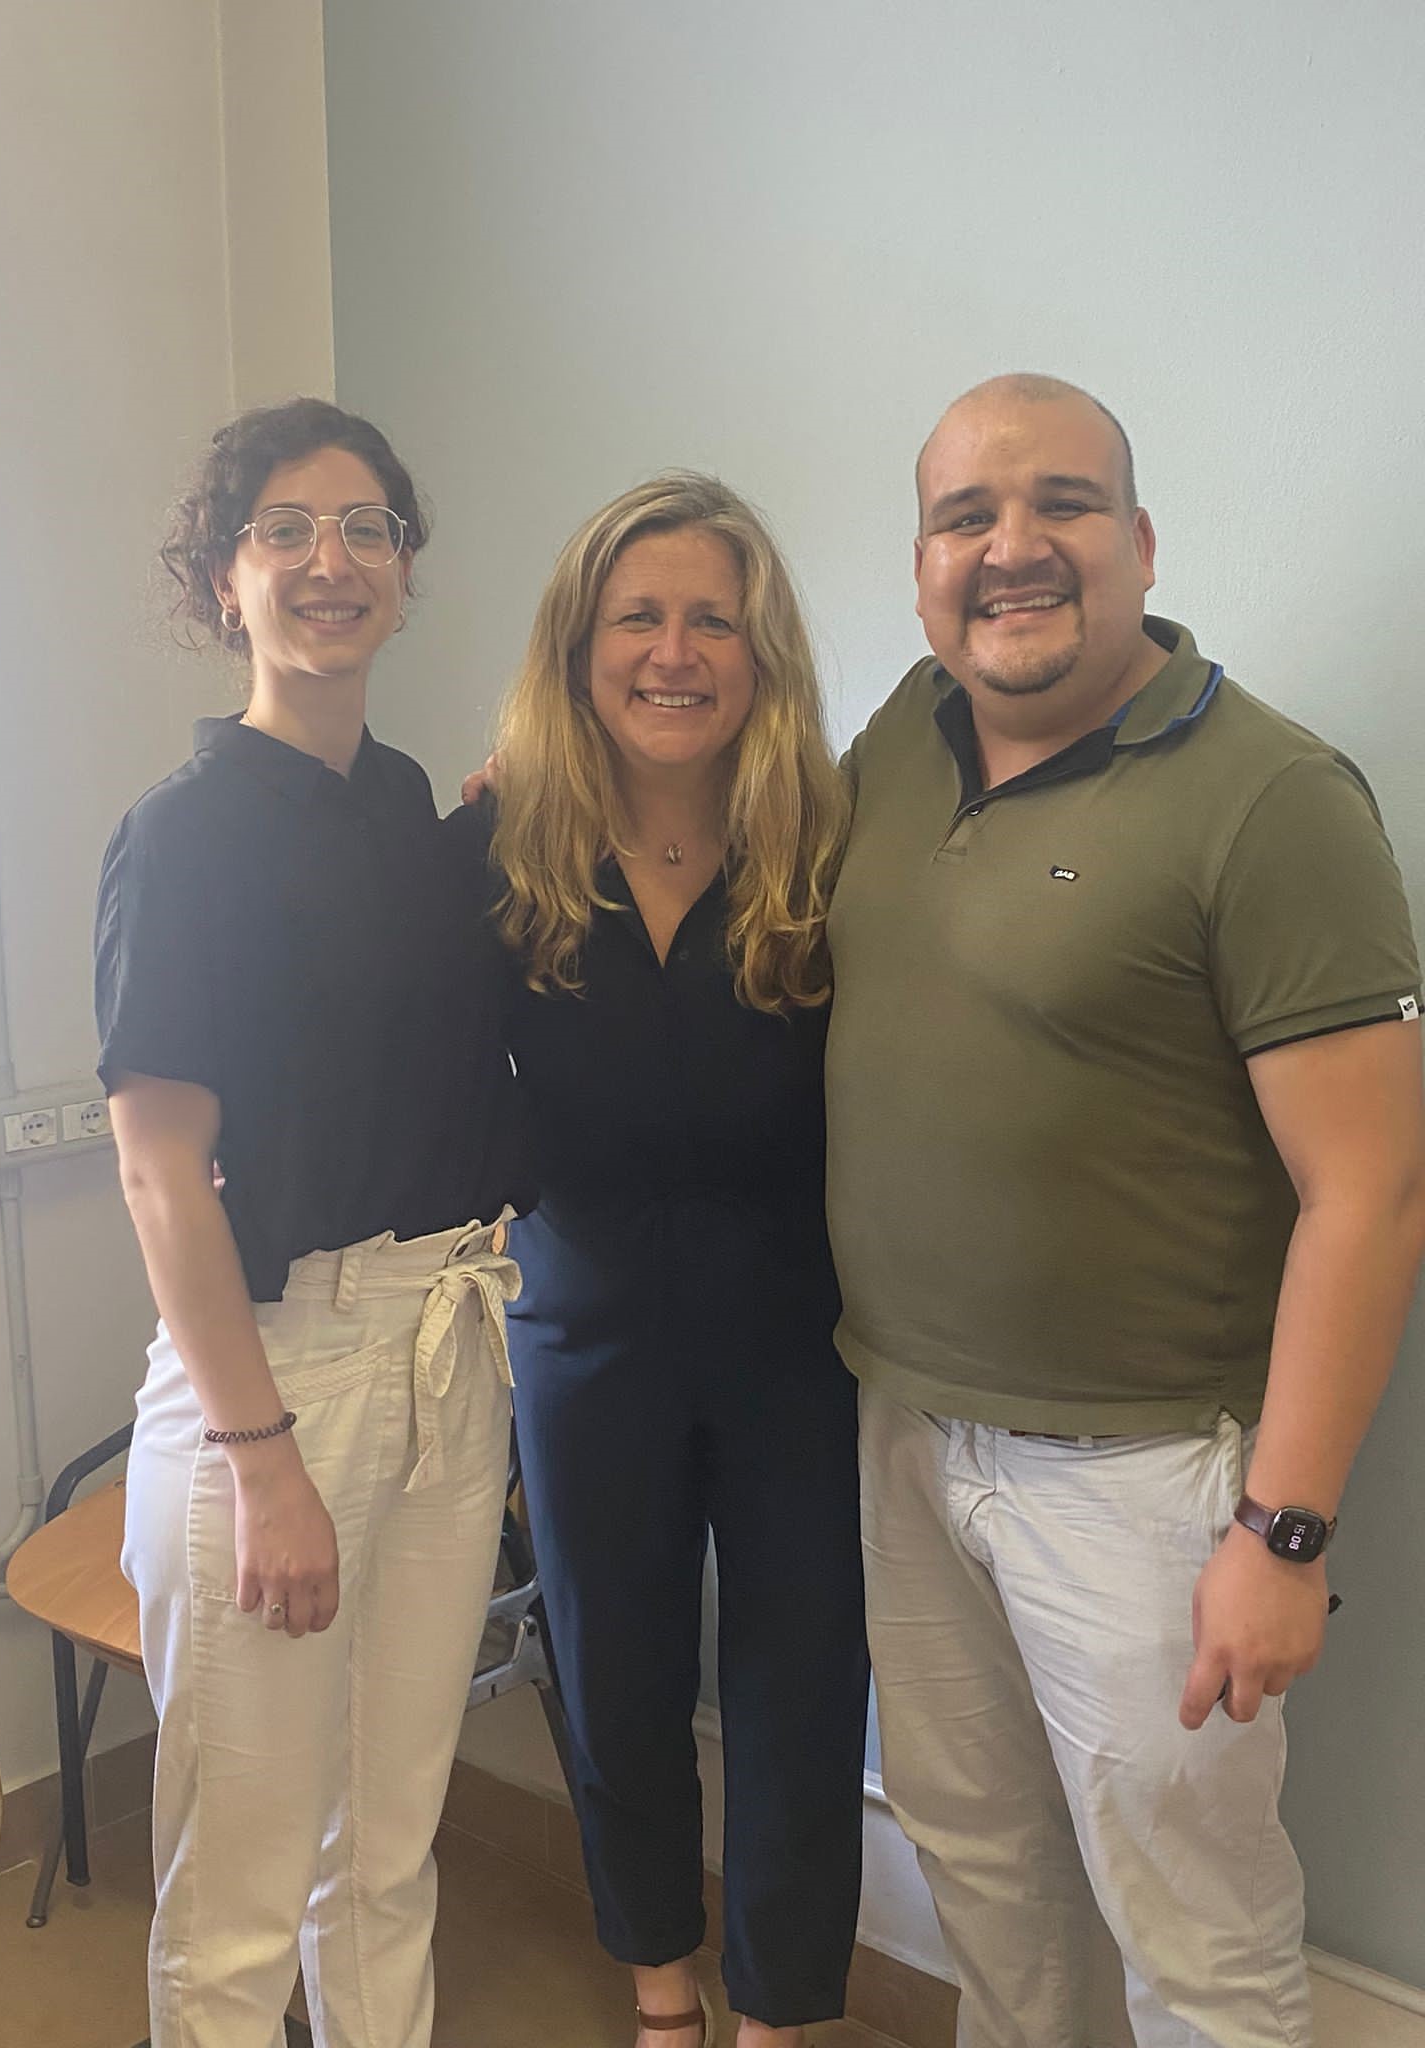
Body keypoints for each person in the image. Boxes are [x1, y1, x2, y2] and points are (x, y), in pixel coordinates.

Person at [827, 374, 1425, 2048]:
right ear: (924, 563)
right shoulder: (898, 733)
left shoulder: (1273, 798)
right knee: (984, 1872)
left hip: (1147, 1484)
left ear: (1141, 543)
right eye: (967, 517)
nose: (1013, 549)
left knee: (1196, 1929)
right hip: (904, 1434)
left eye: (1063, 506)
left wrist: (1284, 1533)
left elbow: (1371, 1194)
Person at [95, 397, 528, 2048]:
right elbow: (157, 1173)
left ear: (406, 572)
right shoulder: (185, 835)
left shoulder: (402, 800)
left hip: (444, 1349)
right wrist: (260, 1454)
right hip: (275, 1383)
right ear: (225, 582)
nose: (329, 562)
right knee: (240, 1899)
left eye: (363, 529)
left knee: (390, 1844)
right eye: (286, 531)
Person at [453, 474, 870, 2048]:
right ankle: (659, 1995)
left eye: (715, 619)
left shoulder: (830, 836)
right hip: (584, 1339)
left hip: (802, 1348)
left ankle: (777, 2013)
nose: (676, 651)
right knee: (612, 1678)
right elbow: (383, 1032)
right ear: (580, 647)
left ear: (762, 655)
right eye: (640, 616)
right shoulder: (499, 847)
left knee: (799, 1692)